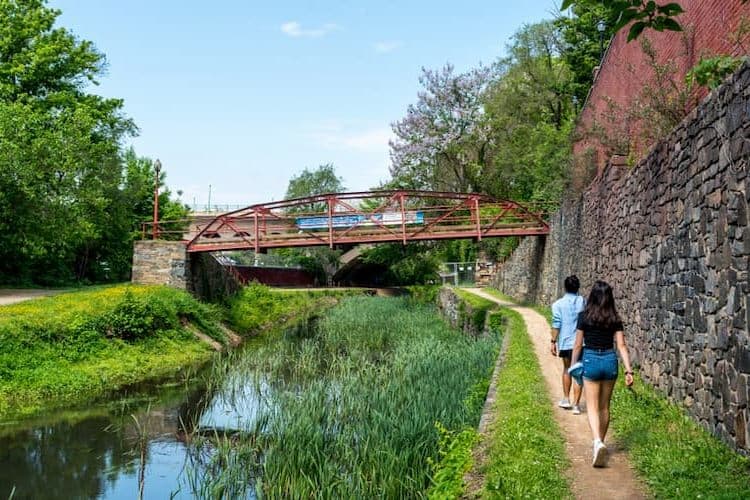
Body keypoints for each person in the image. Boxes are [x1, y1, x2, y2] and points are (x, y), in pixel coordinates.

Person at [571, 280, 634, 467]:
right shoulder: (615, 318)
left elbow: (577, 345)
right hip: (609, 360)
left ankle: (597, 442)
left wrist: (573, 365)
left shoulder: (584, 317)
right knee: (604, 406)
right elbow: (621, 346)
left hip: (590, 359)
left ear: (592, 296)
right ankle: (601, 442)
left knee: (591, 406)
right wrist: (629, 370)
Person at [550, 275, 585, 414]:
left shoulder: (558, 304)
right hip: (581, 343)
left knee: (566, 369)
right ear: (578, 287)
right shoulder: (583, 301)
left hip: (565, 342)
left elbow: (556, 324)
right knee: (578, 372)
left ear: (565, 287)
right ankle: (576, 405)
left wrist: (553, 341)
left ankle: (566, 399)